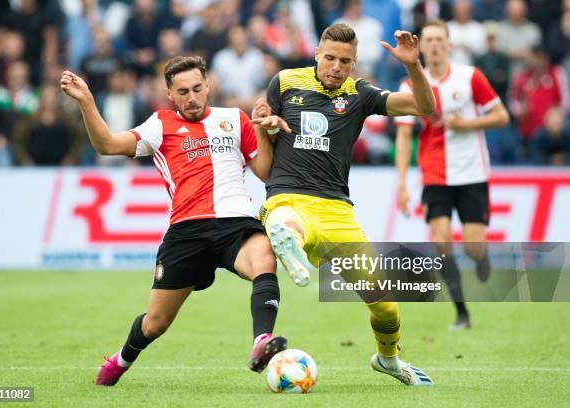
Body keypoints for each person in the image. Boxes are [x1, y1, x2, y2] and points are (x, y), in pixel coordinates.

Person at [60, 55, 292, 386]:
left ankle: (260, 342)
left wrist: (261, 128)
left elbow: (265, 171)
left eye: (198, 88)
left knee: (265, 260)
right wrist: (86, 101)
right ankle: (121, 359)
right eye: (183, 91)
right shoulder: (160, 124)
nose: (192, 97)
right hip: (187, 231)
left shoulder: (235, 119)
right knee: (155, 323)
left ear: (208, 85)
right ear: (170, 94)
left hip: (236, 222)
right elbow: (107, 145)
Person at [252, 23, 436, 386]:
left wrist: (413, 66)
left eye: (346, 61)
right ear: (317, 54)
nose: (337, 67)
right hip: (288, 195)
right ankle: (288, 243)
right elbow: (264, 170)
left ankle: (388, 359)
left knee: (385, 306)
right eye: (331, 58)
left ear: (354, 63)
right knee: (284, 221)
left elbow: (423, 107)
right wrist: (262, 126)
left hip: (337, 211)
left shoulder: (361, 93)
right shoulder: (285, 82)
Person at [394, 20, 510, 330]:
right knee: (442, 244)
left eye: (437, 39)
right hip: (434, 175)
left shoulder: (469, 77)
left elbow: (501, 116)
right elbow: (404, 137)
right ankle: (461, 313)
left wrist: (467, 125)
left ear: (448, 44)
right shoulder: (410, 87)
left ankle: (481, 258)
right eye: (427, 40)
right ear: (421, 46)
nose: (432, 45)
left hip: (472, 173)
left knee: (473, 247)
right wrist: (402, 184)